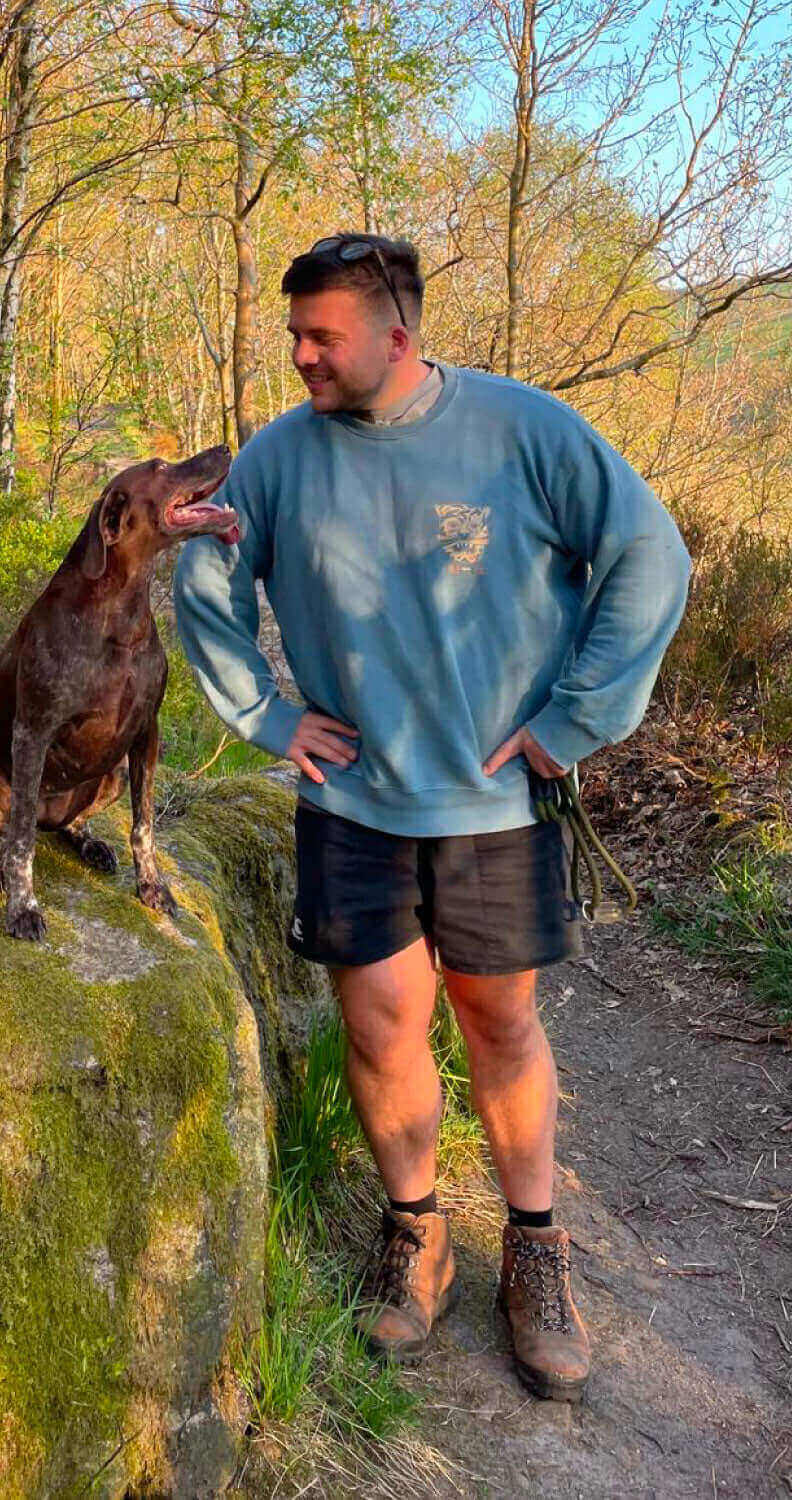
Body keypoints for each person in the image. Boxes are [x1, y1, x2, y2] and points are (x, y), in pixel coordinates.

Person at [172, 232, 692, 1400]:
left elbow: (649, 558)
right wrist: (262, 715)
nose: (300, 354)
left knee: (497, 1024)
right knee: (379, 1023)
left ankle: (536, 1247)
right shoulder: (277, 457)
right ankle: (418, 1232)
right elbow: (204, 576)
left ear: (395, 336)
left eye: (322, 337)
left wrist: (575, 719)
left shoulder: (525, 431)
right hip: (352, 793)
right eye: (294, 334)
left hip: (497, 796)